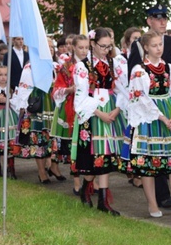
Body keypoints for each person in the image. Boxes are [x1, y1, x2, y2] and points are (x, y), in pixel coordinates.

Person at [125, 30, 171, 219]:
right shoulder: (139, 70)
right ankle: (152, 204)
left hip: (170, 114)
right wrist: (162, 118)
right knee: (149, 164)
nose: (159, 49)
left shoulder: (169, 68)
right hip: (151, 119)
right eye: (155, 45)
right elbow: (142, 98)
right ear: (146, 47)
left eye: (161, 45)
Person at [128, 5, 171, 210]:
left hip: (169, 104)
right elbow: (134, 81)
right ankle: (160, 195)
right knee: (153, 152)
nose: (162, 22)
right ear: (149, 21)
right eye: (157, 19)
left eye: (164, 18)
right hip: (150, 108)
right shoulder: (139, 46)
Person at [72, 28, 128, 215]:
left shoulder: (114, 64)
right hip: (93, 113)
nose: (105, 50)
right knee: (92, 159)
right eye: (102, 46)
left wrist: (117, 109)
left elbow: (122, 90)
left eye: (108, 46)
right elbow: (80, 97)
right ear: (93, 44)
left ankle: (103, 201)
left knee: (106, 157)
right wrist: (98, 113)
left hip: (111, 109)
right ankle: (87, 186)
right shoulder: (82, 66)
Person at [10, 39, 57, 183]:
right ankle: (42, 172)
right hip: (38, 105)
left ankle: (53, 166)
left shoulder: (56, 65)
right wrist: (23, 108)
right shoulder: (30, 66)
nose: (50, 49)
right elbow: (24, 88)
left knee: (53, 138)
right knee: (38, 139)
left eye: (51, 47)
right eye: (46, 47)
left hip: (53, 104)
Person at [51, 35, 88, 193]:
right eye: (81, 47)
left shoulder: (92, 64)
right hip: (69, 108)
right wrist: (68, 89)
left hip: (88, 107)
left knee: (86, 145)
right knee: (74, 146)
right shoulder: (66, 66)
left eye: (87, 47)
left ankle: (91, 180)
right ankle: (77, 182)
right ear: (73, 47)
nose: (84, 51)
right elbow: (56, 90)